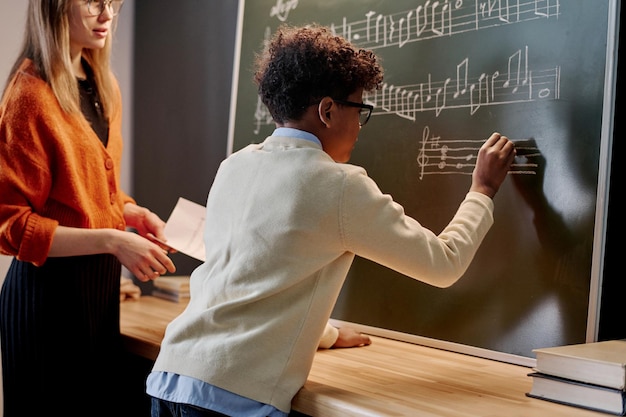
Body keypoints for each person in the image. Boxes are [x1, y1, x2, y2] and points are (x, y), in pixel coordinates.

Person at [147, 23, 516, 417]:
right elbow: (444, 264)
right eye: (359, 110)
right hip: (233, 398)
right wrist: (482, 190)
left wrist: (323, 334)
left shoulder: (233, 167)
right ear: (327, 110)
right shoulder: (337, 184)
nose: (359, 127)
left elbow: (253, 277)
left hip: (172, 377)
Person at [0, 1, 177, 416]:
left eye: (113, 4)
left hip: (96, 298)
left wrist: (129, 212)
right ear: (56, 8)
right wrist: (112, 239)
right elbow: (10, 225)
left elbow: (88, 192)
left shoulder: (104, 85)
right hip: (45, 302)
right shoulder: (29, 94)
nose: (107, 16)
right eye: (94, 3)